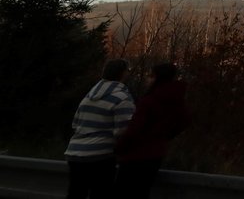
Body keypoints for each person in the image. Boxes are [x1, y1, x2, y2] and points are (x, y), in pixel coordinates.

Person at [114, 62, 190, 199]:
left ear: (157, 78)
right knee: (142, 192)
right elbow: (184, 121)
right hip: (156, 155)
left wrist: (119, 148)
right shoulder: (177, 100)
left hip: (135, 156)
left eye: (151, 76)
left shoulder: (149, 101)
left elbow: (134, 130)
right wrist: (165, 136)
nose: (148, 79)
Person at [64, 59, 135, 199]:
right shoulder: (122, 98)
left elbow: (75, 123)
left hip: (75, 153)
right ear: (122, 73)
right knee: (101, 193)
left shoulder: (88, 96)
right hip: (101, 156)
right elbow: (123, 131)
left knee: (76, 193)